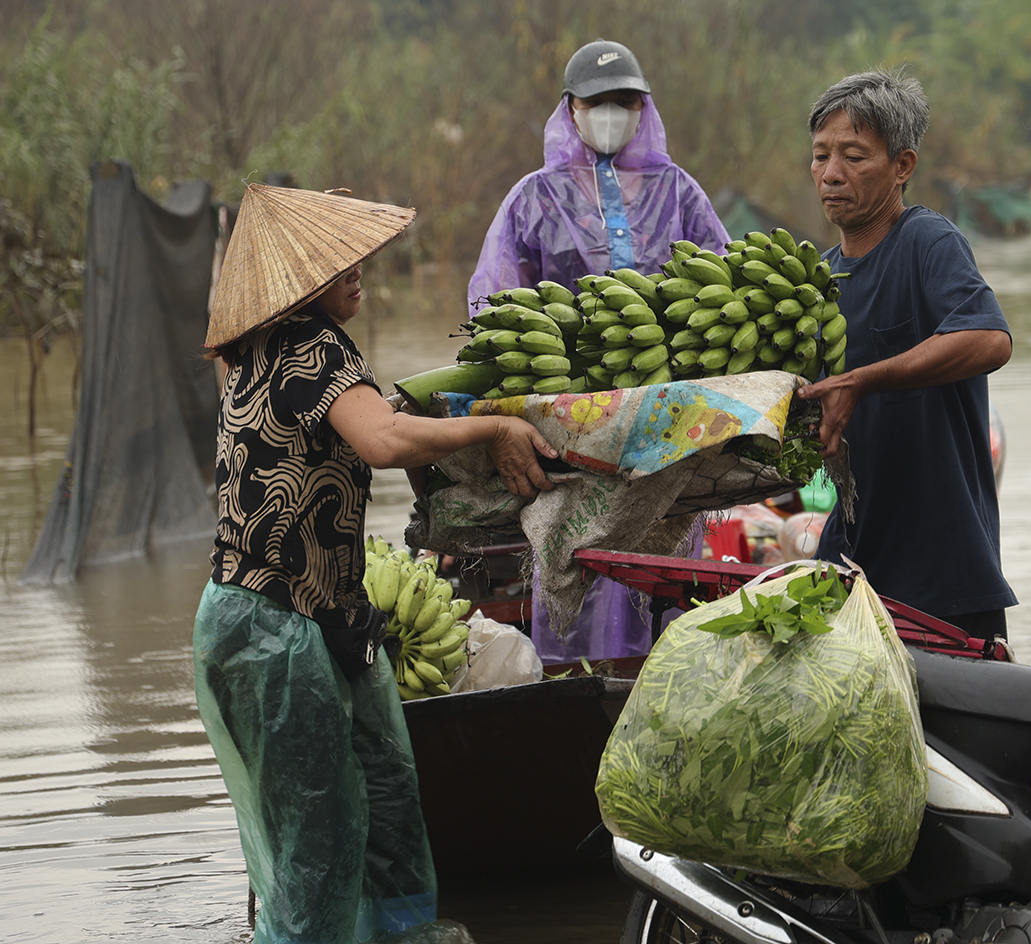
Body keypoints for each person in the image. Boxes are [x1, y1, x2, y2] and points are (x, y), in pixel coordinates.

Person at [193, 184, 555, 944]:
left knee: (382, 795)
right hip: (276, 625)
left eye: (355, 256)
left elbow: (348, 435)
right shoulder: (312, 346)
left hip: (297, 618)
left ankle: (396, 934)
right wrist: (493, 426)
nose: (357, 270)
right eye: (333, 264)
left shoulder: (250, 352)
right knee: (317, 837)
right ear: (293, 284)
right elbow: (382, 442)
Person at [466, 38, 728, 662]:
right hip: (567, 429)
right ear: (571, 109)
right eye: (597, 101)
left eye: (623, 101)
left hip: (665, 421)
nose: (610, 111)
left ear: (642, 108)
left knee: (661, 566)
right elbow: (493, 300)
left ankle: (666, 679)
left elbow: (721, 282)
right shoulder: (533, 197)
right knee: (575, 563)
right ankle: (570, 690)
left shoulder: (679, 192)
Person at [796, 69, 1017, 640]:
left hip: (942, 570)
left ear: (903, 166)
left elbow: (990, 339)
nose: (831, 174)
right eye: (820, 156)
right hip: (852, 560)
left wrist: (862, 380)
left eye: (853, 156)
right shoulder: (816, 279)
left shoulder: (927, 242)